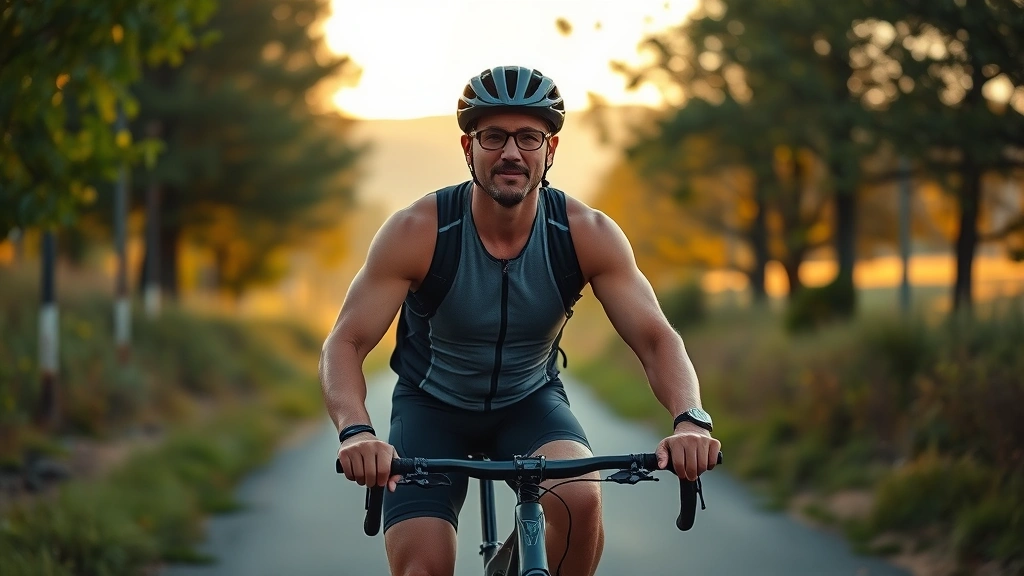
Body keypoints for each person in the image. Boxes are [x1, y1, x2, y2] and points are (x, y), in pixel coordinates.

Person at [320, 65, 721, 576]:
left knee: (580, 499)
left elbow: (656, 338)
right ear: (468, 149)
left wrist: (691, 419)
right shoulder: (418, 231)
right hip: (430, 408)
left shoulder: (585, 233)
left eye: (528, 137)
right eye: (493, 136)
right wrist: (355, 431)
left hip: (529, 402)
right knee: (423, 569)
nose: (511, 152)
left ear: (550, 150)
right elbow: (346, 343)